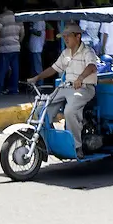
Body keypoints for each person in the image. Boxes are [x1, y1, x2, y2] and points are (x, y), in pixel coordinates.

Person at [26, 23, 99, 159]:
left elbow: (92, 66)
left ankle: (76, 147)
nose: (65, 39)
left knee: (70, 111)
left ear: (78, 36)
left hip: (84, 88)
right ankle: (47, 142)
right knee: (41, 109)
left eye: (68, 36)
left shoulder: (87, 52)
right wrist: (37, 77)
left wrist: (81, 78)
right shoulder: (65, 53)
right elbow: (54, 69)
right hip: (65, 87)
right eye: (64, 37)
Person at [0, 9, 22, 95]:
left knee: (2, 68)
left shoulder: (2, 17)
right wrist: (18, 42)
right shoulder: (18, 18)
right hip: (16, 47)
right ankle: (14, 89)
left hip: (5, 47)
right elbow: (22, 33)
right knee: (15, 69)